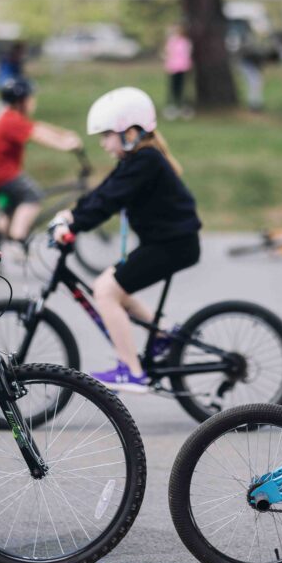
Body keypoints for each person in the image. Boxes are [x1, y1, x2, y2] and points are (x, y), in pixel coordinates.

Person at [50, 87, 202, 392]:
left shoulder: (146, 161)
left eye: (107, 134)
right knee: (105, 283)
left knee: (106, 291)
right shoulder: (137, 160)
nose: (103, 143)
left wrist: (75, 224)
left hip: (173, 245)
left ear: (130, 133)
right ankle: (161, 336)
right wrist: (72, 215)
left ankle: (132, 371)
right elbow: (104, 192)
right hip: (167, 243)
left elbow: (109, 201)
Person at [0, 76, 82, 244]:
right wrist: (65, 145)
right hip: (0, 173)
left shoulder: (11, 116)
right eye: (31, 97)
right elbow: (38, 135)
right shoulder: (11, 120)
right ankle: (19, 239)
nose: (33, 101)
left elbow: (37, 127)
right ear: (21, 100)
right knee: (33, 195)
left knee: (11, 207)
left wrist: (63, 134)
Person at [162, 24, 193, 119]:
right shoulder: (172, 41)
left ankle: (183, 107)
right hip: (173, 68)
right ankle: (172, 107)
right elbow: (168, 53)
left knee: (182, 88)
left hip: (183, 67)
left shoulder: (185, 42)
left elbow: (186, 54)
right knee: (173, 88)